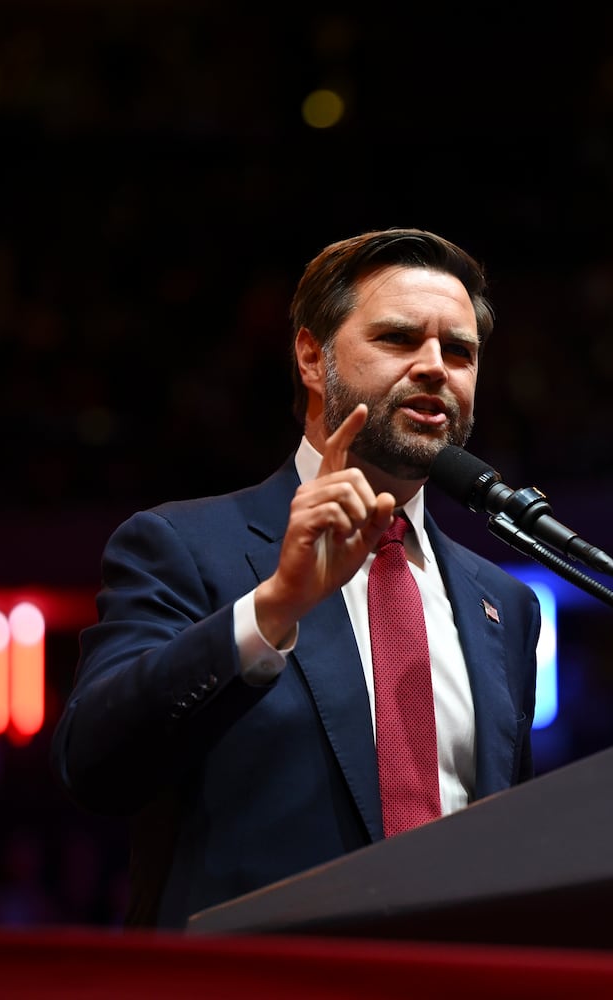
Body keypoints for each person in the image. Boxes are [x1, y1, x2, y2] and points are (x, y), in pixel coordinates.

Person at [51, 228, 542, 929]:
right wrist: (274, 607)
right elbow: (94, 766)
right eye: (400, 340)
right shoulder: (184, 547)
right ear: (312, 359)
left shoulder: (505, 604)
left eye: (459, 351)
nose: (436, 367)